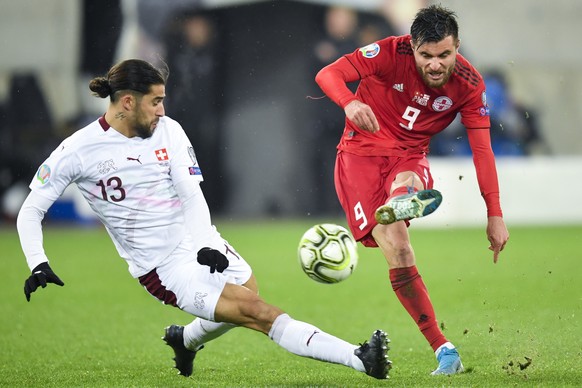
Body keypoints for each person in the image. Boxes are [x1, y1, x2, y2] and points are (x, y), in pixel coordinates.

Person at [16, 59, 391, 380]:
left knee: (249, 291)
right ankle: (359, 358)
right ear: (127, 102)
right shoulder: (78, 150)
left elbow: (190, 193)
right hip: (162, 267)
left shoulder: (169, 131)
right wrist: (38, 262)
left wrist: (205, 244)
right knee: (256, 312)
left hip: (196, 241)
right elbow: (31, 209)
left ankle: (184, 339)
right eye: (156, 101)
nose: (162, 110)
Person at [315, 5, 509, 375]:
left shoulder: (469, 84)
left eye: (444, 55)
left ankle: (402, 201)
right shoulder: (390, 51)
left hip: (409, 154)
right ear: (412, 45)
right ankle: (443, 345)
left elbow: (482, 151)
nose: (436, 65)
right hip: (360, 154)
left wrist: (495, 214)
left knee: (406, 196)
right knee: (399, 251)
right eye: (426, 56)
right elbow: (328, 74)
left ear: (457, 47)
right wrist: (350, 101)